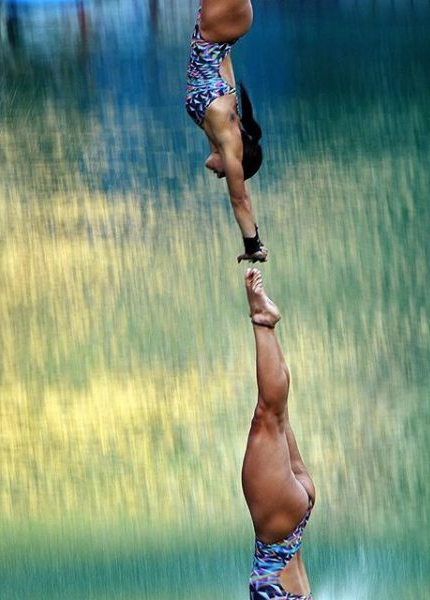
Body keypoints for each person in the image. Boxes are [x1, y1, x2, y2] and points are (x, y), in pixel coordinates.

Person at [242, 268, 316, 599]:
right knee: (269, 416)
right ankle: (262, 319)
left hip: (289, 533)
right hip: (278, 529)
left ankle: (267, 325)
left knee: (277, 416)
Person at [185, 0, 267, 263]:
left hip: (222, 32)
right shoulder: (229, 136)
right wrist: (252, 244)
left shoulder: (217, 130)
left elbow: (222, 60)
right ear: (236, 164)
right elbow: (239, 198)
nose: (218, 173)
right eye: (225, 174)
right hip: (221, 26)